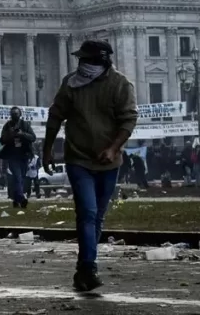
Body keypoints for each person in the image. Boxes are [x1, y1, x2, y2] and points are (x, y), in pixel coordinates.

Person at [42, 40, 137, 293]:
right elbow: (55, 115)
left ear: (102, 61)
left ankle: (84, 268)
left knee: (97, 216)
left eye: (88, 60)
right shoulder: (71, 83)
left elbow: (128, 119)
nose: (82, 65)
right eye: (81, 60)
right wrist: (47, 149)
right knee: (88, 212)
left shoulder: (120, 84)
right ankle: (88, 266)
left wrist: (113, 148)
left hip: (109, 162)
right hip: (78, 158)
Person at [0, 106, 36, 208]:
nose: (15, 115)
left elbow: (33, 137)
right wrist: (10, 134)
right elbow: (2, 140)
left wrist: (22, 134)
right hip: (12, 156)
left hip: (24, 155)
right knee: (18, 177)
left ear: (20, 114)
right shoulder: (7, 125)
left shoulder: (25, 125)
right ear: (10, 115)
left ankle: (16, 200)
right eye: (13, 114)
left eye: (16, 113)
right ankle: (21, 198)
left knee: (21, 178)